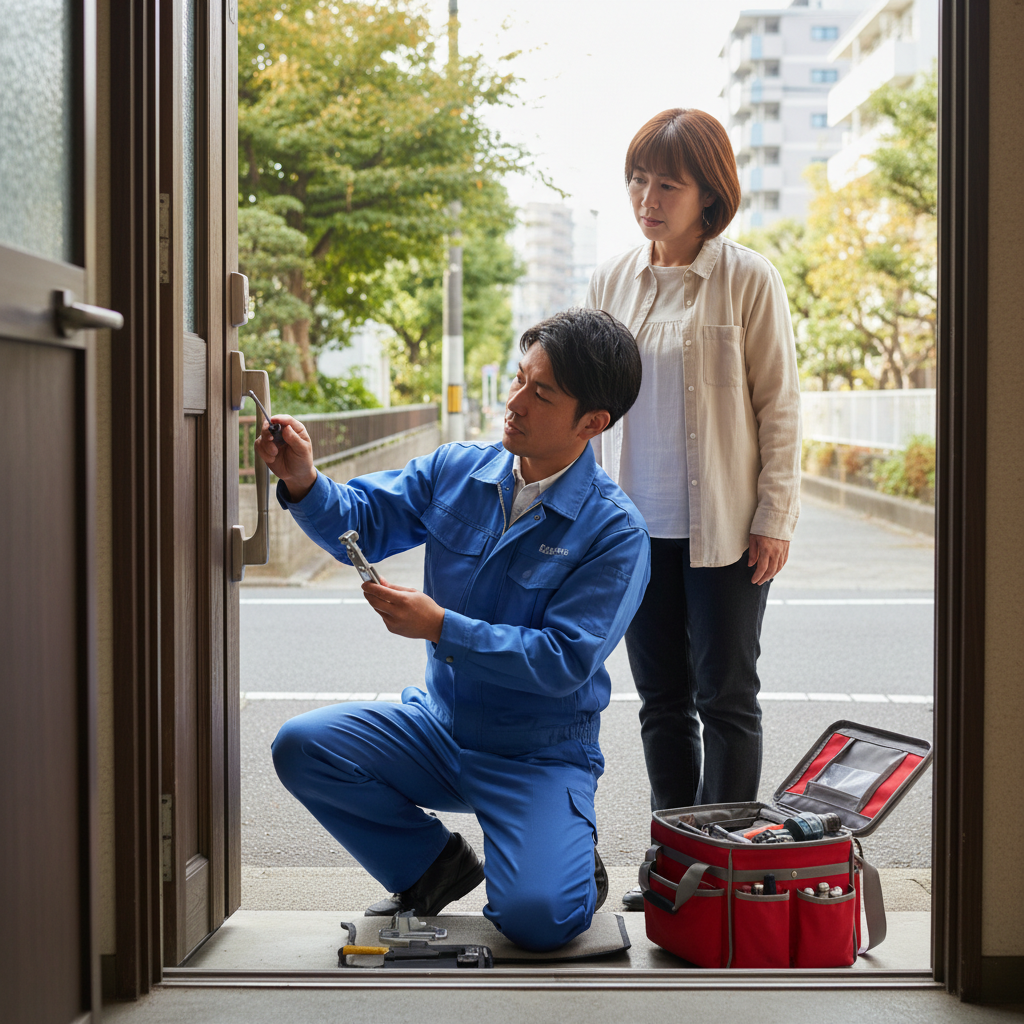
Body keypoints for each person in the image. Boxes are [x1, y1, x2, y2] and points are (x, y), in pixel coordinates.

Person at [262, 308, 649, 951]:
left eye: (540, 392)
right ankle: (429, 868)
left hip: (536, 754)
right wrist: (302, 480)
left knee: (539, 920)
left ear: (593, 422)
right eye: (520, 378)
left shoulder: (614, 531)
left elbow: (563, 660)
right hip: (437, 729)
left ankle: (566, 860)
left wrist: (441, 626)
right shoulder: (457, 470)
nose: (514, 401)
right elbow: (362, 517)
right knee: (303, 745)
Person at [583, 109, 801, 910]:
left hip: (727, 530)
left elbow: (779, 405)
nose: (647, 196)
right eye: (638, 179)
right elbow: (591, 403)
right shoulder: (611, 279)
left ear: (709, 192)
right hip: (632, 533)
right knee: (662, 703)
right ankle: (675, 868)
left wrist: (775, 514)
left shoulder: (747, 277)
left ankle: (728, 878)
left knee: (727, 698)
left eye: (667, 183)